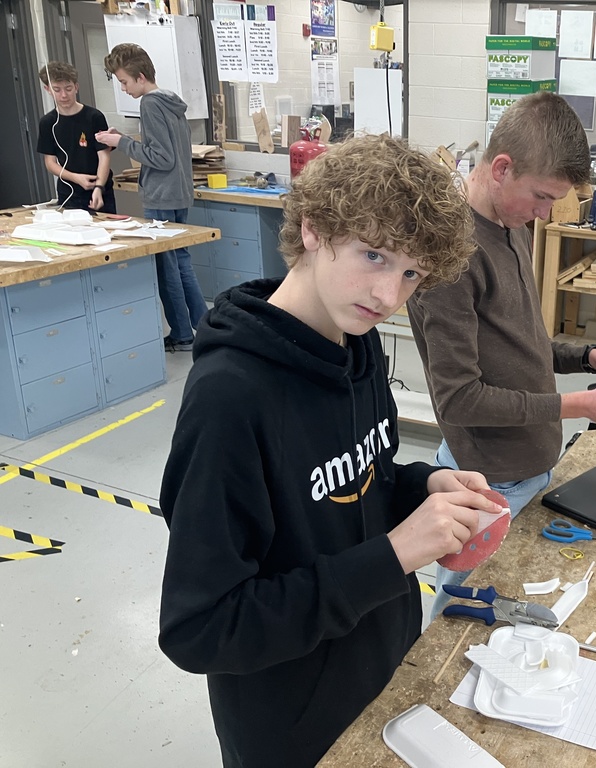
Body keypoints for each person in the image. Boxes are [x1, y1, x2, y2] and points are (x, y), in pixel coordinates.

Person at [157, 134, 497, 768]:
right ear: (313, 228)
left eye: (411, 273)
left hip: (385, 678)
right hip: (295, 729)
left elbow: (356, 481)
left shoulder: (354, 340)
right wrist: (393, 555)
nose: (389, 295)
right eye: (374, 255)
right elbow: (201, 629)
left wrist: (421, 486)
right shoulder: (230, 397)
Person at [406, 92, 596, 621]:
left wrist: (592, 357)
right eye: (542, 196)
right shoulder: (451, 257)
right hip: (486, 482)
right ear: (501, 169)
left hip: (531, 470)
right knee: (460, 628)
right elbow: (460, 399)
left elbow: (521, 343)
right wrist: (582, 406)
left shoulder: (511, 224)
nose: (545, 213)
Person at [95, 43, 205, 353]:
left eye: (124, 82)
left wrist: (121, 143)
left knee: (167, 268)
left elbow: (161, 158)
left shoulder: (150, 104)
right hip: (178, 193)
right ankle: (204, 326)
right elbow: (167, 151)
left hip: (162, 196)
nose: (123, 88)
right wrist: (124, 138)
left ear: (140, 77)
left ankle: (182, 335)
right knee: (181, 262)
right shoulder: (171, 101)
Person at [35, 61, 116, 213]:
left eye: (68, 89)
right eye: (57, 90)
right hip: (69, 193)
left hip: (99, 189)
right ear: (48, 89)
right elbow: (50, 162)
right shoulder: (48, 123)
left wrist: (99, 187)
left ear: (76, 87)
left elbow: (104, 156)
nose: (64, 95)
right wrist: (75, 178)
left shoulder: (94, 117)